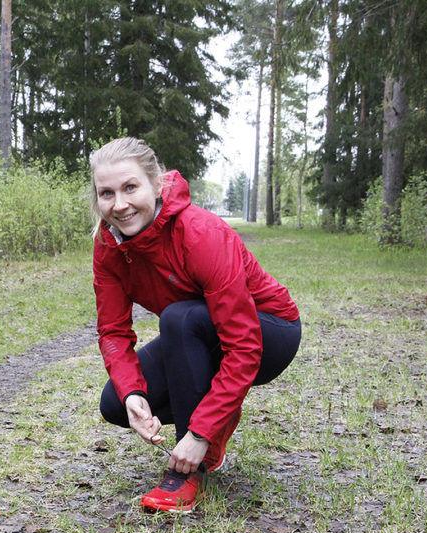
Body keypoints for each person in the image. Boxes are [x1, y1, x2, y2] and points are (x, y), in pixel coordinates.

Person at [89, 137, 301, 513]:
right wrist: (133, 393)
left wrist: (199, 433)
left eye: (130, 187)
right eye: (107, 193)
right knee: (115, 404)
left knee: (180, 317)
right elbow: (114, 332)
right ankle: (216, 413)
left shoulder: (199, 232)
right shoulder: (109, 247)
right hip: (201, 333)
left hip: (270, 331)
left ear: (156, 185)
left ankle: (191, 469)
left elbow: (245, 346)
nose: (119, 205)